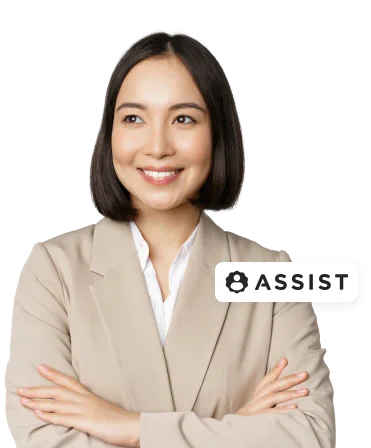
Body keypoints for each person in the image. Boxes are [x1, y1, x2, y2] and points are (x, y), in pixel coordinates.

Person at [5, 30, 335, 447]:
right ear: (108, 136)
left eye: (184, 119)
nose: (157, 146)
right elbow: (40, 439)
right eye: (133, 118)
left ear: (219, 135)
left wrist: (132, 427)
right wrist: (236, 427)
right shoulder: (53, 271)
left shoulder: (273, 277)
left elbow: (309, 437)